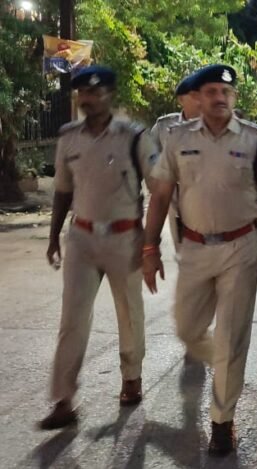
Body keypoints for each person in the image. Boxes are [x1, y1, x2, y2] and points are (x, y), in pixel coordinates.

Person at [141, 64, 257, 455]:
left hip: (242, 247)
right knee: (188, 329)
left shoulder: (256, 139)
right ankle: (226, 363)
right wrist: (150, 249)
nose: (219, 98)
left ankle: (222, 420)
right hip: (194, 247)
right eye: (211, 92)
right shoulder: (177, 137)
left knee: (232, 334)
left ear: (234, 97)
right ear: (198, 98)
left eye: (226, 91)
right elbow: (160, 195)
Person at [40, 66, 156, 430]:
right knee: (72, 318)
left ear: (110, 95)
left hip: (125, 237)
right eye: (83, 93)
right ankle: (63, 400)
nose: (88, 99)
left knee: (129, 311)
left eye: (95, 92)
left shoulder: (134, 137)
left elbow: (161, 187)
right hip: (82, 237)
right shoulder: (69, 138)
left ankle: (131, 377)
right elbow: (62, 191)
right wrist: (54, 237)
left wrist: (151, 243)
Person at [148, 74, 200, 252]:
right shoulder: (164, 127)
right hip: (176, 202)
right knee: (184, 253)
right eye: (194, 95)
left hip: (206, 199)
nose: (199, 100)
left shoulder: (213, 125)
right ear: (181, 100)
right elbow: (151, 161)